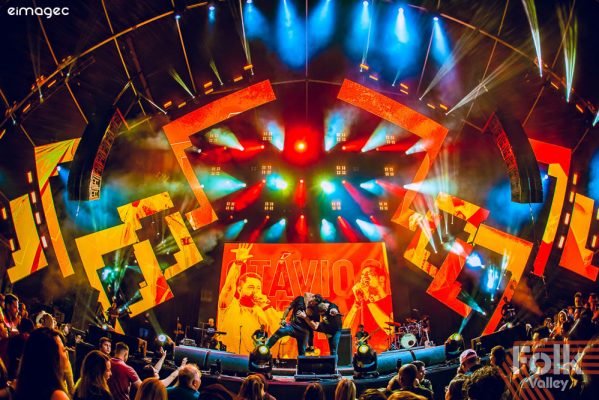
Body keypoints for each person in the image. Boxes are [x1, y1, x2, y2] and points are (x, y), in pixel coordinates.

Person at [218, 244, 276, 355]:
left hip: (251, 360)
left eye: (258, 288)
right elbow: (228, 287)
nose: (255, 291)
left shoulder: (263, 312)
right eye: (251, 287)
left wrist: (265, 307)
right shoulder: (230, 305)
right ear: (239, 289)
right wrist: (238, 264)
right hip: (227, 358)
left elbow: (281, 335)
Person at [342, 260, 393, 353]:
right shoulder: (361, 303)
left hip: (385, 352)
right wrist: (356, 303)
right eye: (362, 275)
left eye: (369, 274)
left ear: (381, 279)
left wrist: (368, 299)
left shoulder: (390, 300)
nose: (364, 278)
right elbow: (346, 330)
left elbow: (390, 329)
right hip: (362, 352)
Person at [14, 327, 70, 400]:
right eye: (63, 350)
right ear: (53, 357)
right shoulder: (57, 396)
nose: (66, 354)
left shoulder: (24, 386)